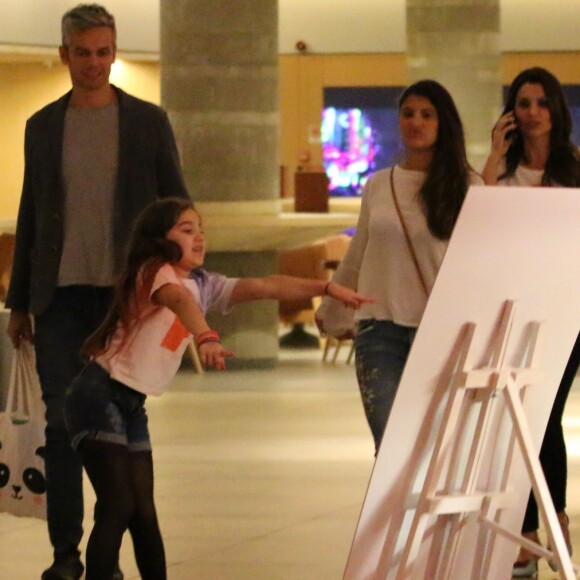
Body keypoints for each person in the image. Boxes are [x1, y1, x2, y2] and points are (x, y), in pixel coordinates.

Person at [61, 197, 373, 579]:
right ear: (159, 239)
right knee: (119, 504)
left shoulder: (204, 285)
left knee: (143, 510)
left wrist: (326, 287)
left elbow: (266, 285)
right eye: (186, 230)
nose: (199, 238)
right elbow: (176, 300)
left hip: (130, 403)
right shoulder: (154, 271)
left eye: (202, 231)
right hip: (98, 395)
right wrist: (206, 336)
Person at [4, 4, 189, 579]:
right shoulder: (42, 125)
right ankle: (67, 555)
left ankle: (135, 545)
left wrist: (175, 286)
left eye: (103, 52)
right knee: (61, 425)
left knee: (121, 419)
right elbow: (32, 211)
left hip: (123, 300)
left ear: (114, 52)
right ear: (64, 55)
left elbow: (174, 206)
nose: (93, 63)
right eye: (82, 52)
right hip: (59, 298)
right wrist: (18, 302)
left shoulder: (147, 122)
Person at [316, 80, 483, 453]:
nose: (415, 122)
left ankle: (433, 513)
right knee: (390, 443)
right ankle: (399, 514)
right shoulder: (379, 185)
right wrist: (333, 308)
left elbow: (478, 265)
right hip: (379, 330)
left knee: (439, 446)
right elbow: (360, 251)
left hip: (441, 330)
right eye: (408, 114)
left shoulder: (467, 186)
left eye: (427, 115)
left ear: (443, 123)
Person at [482, 66, 580, 577]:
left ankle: (550, 517)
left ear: (555, 110)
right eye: (524, 103)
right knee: (516, 414)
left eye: (542, 103)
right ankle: (525, 527)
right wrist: (495, 156)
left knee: (542, 412)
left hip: (566, 307)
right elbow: (483, 226)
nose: (533, 112)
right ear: (511, 112)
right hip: (514, 308)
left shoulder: (575, 168)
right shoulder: (502, 172)